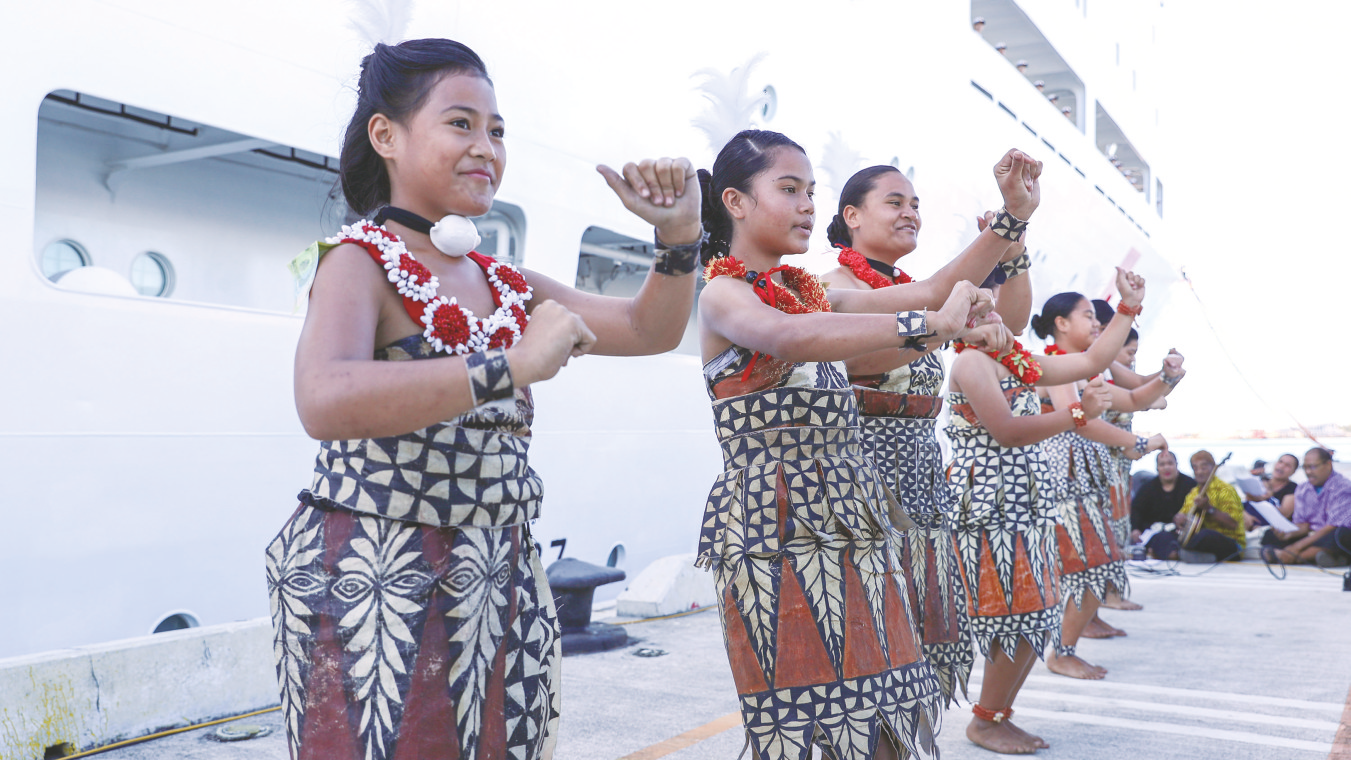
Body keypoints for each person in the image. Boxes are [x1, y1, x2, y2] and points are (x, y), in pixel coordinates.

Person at [269, 39, 705, 760]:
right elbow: (323, 397)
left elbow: (645, 328)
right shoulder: (358, 261)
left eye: (496, 130)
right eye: (461, 124)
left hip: (498, 576)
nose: (486, 147)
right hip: (378, 581)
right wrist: (507, 364)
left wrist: (679, 235)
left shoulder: (506, 282)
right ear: (386, 135)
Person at [695, 129, 1037, 760]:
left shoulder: (814, 293)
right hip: (779, 528)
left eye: (810, 192)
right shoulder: (724, 294)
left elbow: (932, 291)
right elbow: (789, 337)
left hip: (855, 523)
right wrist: (932, 326)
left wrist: (1012, 218)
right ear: (735, 202)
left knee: (886, 714)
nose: (806, 206)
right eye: (789, 189)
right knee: (818, 725)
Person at [819, 163, 1036, 705]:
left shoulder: (908, 292)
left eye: (916, 204)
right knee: (867, 641)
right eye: (895, 202)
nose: (911, 212)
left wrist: (1014, 251)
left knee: (912, 642)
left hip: (920, 478)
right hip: (860, 484)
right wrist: (1008, 221)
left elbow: (1016, 321)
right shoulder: (829, 288)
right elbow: (863, 355)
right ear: (852, 216)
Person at [945, 267, 1146, 754]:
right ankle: (986, 720)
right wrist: (1079, 414)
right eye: (982, 306)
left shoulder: (1015, 360)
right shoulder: (972, 364)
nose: (995, 310)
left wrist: (1126, 306)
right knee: (1009, 615)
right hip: (990, 507)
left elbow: (1093, 358)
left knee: (1033, 614)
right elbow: (1008, 431)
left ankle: (998, 715)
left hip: (1027, 505)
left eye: (995, 302)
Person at [1031, 292, 1171, 676]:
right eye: (1089, 316)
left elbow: (1135, 397)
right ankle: (1061, 652)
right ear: (1061, 324)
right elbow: (1081, 420)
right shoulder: (1056, 365)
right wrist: (1137, 443)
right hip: (1063, 486)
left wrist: (1169, 377)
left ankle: (1065, 647)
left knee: (1099, 566)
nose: (1096, 324)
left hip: (1089, 484)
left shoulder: (1085, 369)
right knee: (1090, 567)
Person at [1150, 451, 1245, 562]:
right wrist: (1179, 519)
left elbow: (1233, 524)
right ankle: (1177, 553)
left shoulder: (1225, 490)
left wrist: (1209, 509)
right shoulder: (1193, 493)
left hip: (1229, 542)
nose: (1199, 472)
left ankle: (1178, 553)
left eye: (1203, 468)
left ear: (1213, 468)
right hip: (1196, 540)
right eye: (1195, 468)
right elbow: (1183, 514)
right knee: (1161, 536)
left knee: (1205, 535)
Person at [1265, 448, 1351, 566]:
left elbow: (1332, 526)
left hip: (1329, 534)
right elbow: (1303, 524)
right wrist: (1288, 534)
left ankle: (1295, 557)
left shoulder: (1343, 487)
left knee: (1341, 535)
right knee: (1270, 534)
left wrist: (1297, 547)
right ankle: (1324, 557)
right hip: (1310, 536)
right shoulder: (1303, 488)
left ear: (1328, 464)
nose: (1308, 472)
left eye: (1313, 467)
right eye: (1305, 467)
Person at [1129, 451, 1197, 558]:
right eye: (1162, 464)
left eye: (1170, 463)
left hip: (1181, 532)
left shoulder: (1190, 485)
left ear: (1176, 465)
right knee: (1161, 539)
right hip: (1154, 532)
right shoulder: (1148, 488)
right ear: (1157, 468)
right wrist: (1135, 529)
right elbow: (1136, 509)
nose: (1166, 468)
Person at [1247, 453, 1299, 529]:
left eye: (1287, 465)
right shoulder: (1261, 481)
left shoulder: (1293, 488)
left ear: (1293, 471)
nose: (1281, 466)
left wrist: (1262, 500)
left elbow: (1284, 514)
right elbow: (1248, 502)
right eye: (1280, 462)